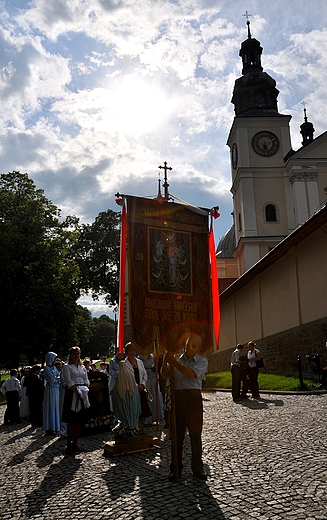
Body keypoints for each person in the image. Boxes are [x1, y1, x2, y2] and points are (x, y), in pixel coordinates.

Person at [162, 334, 208, 481]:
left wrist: (173, 363)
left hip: (193, 399)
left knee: (195, 435)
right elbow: (164, 376)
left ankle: (197, 469)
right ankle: (175, 468)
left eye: (194, 346)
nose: (190, 348)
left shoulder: (202, 361)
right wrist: (165, 361)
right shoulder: (176, 359)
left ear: (198, 348)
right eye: (188, 344)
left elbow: (190, 373)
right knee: (177, 436)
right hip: (178, 399)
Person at [111, 343, 151, 430]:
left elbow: (144, 374)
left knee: (144, 412)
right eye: (131, 350)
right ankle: (134, 429)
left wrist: (143, 385)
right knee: (134, 412)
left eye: (134, 350)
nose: (133, 353)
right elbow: (126, 378)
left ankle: (141, 428)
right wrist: (136, 386)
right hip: (131, 391)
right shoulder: (124, 364)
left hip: (141, 389)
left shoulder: (140, 362)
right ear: (127, 352)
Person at [62, 346, 90, 454]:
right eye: (74, 354)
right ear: (71, 355)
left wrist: (85, 388)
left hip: (82, 394)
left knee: (78, 421)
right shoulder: (67, 367)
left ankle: (75, 443)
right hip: (72, 394)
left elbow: (86, 379)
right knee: (71, 421)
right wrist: (77, 391)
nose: (77, 356)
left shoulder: (82, 367)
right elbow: (69, 382)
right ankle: (69, 444)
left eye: (78, 354)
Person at [138, 353, 164, 425]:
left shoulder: (152, 357)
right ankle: (147, 420)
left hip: (153, 378)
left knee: (155, 397)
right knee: (147, 398)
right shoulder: (139, 359)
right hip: (145, 379)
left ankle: (156, 417)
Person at [43, 352, 61, 435]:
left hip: (56, 389)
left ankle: (56, 426)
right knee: (51, 408)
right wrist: (57, 379)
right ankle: (50, 427)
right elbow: (52, 380)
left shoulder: (53, 368)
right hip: (50, 390)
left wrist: (57, 379)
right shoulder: (47, 368)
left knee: (56, 408)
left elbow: (60, 376)